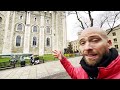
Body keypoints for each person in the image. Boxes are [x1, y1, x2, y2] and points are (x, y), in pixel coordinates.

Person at [52, 27, 120, 79]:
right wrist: (63, 59)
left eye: (94, 40)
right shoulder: (83, 70)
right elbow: (73, 72)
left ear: (109, 43)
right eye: (83, 43)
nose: (87, 47)